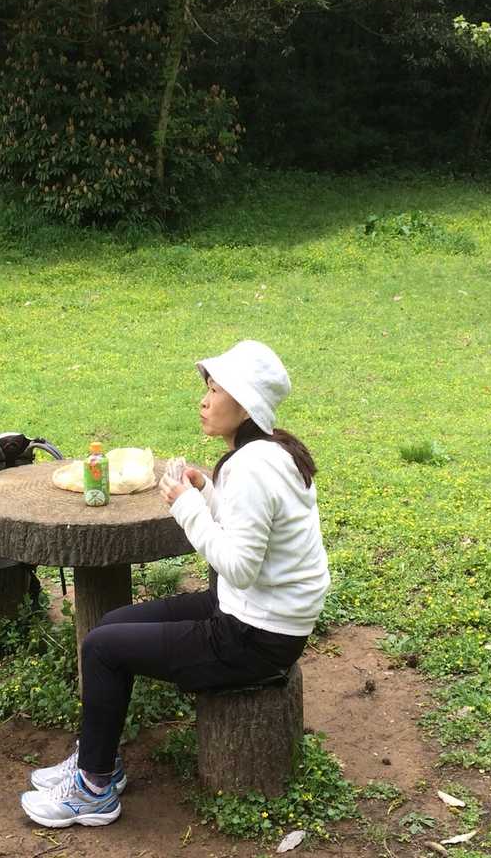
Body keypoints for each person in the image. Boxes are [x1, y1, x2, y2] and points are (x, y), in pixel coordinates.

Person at [20, 340, 330, 828]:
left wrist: (185, 505)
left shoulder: (253, 466)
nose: (204, 401)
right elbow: (252, 532)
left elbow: (240, 566)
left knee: (101, 648)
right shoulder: (272, 450)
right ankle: (99, 758)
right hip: (249, 610)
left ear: (245, 403)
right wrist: (206, 492)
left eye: (215, 391)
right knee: (112, 623)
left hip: (256, 636)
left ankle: (93, 789)